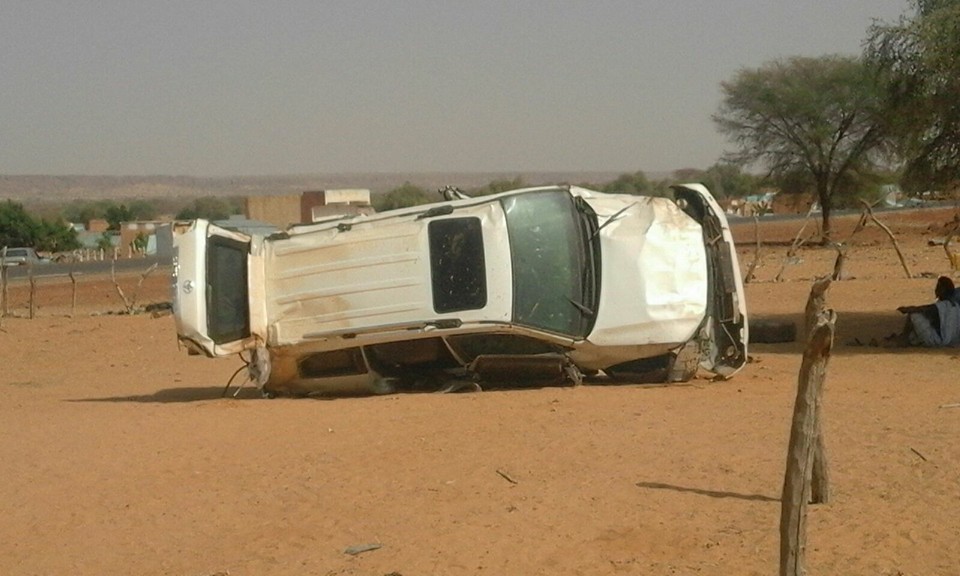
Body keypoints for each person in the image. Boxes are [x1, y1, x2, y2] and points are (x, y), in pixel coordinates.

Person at [894, 276, 960, 347]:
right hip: (952, 341)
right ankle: (906, 338)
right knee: (916, 332)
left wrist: (908, 309)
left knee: (914, 315)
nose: (936, 289)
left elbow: (926, 309)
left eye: (938, 287)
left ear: (943, 290)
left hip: (940, 341)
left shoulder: (943, 305)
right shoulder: (955, 305)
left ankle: (903, 339)